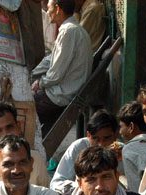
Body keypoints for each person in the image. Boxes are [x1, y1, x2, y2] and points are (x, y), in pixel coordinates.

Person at [32, 0, 92, 135]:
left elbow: (56, 73)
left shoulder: (69, 31)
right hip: (67, 91)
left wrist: (40, 82)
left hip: (63, 94)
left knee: (23, 104)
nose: (48, 12)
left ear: (58, 8)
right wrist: (32, 72)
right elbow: (51, 60)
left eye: (49, 8)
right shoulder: (72, 29)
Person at [50, 109, 121, 194]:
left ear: (115, 135)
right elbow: (56, 183)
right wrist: (83, 187)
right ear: (88, 135)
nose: (101, 144)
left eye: (106, 138)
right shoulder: (78, 148)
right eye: (95, 139)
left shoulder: (122, 152)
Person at [117, 101, 146, 192]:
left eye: (121, 127)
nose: (120, 132)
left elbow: (136, 190)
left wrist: (118, 175)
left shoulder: (129, 149)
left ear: (131, 127)